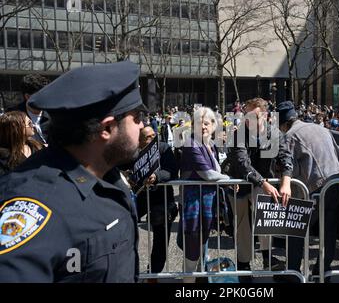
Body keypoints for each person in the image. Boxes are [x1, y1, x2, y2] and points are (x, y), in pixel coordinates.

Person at [0, 61, 147, 282]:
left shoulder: (107, 175)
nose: (142, 127)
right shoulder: (32, 203)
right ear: (107, 128)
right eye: (136, 118)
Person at [277, 101, 339, 277]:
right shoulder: (321, 129)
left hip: (314, 187)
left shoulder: (289, 135)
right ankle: (322, 271)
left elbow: (287, 163)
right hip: (335, 182)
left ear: (283, 124)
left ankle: (293, 273)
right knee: (328, 232)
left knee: (296, 230)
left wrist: (284, 182)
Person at [226, 98, 292, 272]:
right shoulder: (238, 134)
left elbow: (286, 158)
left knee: (265, 219)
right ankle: (243, 263)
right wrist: (263, 183)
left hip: (264, 183)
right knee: (242, 225)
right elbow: (242, 163)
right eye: (246, 116)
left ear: (265, 116)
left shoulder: (275, 134)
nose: (249, 120)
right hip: (239, 184)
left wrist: (286, 182)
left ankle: (267, 257)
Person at [176, 107, 230, 282]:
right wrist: (229, 180)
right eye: (200, 123)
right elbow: (207, 174)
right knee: (192, 256)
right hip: (194, 206)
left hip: (207, 204)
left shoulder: (211, 145)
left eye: (207, 123)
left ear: (214, 125)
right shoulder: (191, 144)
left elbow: (216, 171)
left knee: (201, 249)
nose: (203, 126)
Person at [134, 126, 178, 274]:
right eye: (148, 137)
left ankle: (153, 274)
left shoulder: (163, 148)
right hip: (140, 197)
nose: (153, 139)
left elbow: (172, 171)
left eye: (154, 135)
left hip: (162, 198)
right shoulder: (133, 152)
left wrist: (156, 177)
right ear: (139, 140)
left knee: (160, 242)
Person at [7, 74, 50, 145]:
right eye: (41, 95)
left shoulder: (53, 114)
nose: (46, 98)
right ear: (27, 96)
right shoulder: (12, 117)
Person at [0, 111, 43, 176]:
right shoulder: (4, 157)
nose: (33, 125)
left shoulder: (36, 145)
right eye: (29, 123)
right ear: (17, 129)